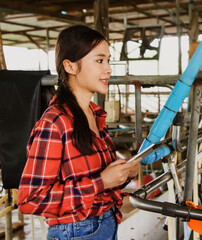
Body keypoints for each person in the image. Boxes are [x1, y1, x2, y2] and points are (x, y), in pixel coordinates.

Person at [17, 25, 140, 240]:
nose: (109, 69)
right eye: (100, 61)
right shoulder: (55, 123)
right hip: (76, 231)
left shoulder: (94, 115)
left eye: (108, 60)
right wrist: (101, 182)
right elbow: (31, 199)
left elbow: (100, 179)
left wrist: (123, 172)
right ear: (70, 66)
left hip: (105, 222)